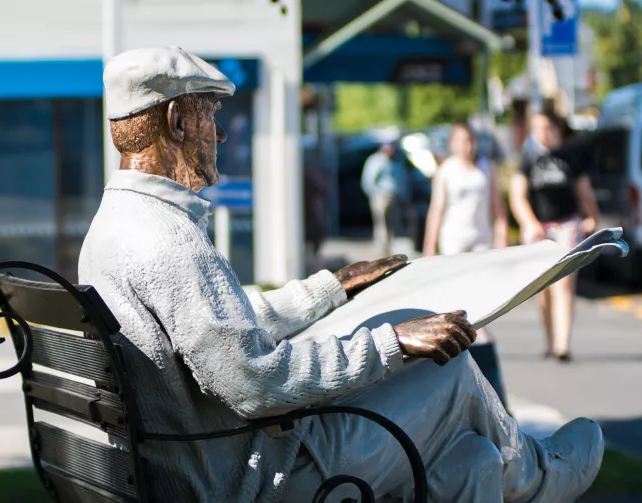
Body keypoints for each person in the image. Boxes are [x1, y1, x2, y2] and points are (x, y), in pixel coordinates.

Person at [79, 47, 603, 503]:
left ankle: (513, 471)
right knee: (450, 372)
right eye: (209, 113)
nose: (218, 131)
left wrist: (329, 288)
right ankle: (538, 480)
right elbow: (254, 382)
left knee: (470, 463)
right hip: (255, 481)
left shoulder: (118, 226)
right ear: (175, 120)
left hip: (192, 466)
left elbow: (223, 324)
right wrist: (393, 342)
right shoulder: (170, 242)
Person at [421, 122, 513, 403]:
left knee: (482, 308)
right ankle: (469, 373)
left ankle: (488, 382)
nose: (468, 147)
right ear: (452, 143)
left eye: (471, 141)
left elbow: (498, 207)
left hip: (481, 241)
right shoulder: (446, 171)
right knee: (462, 308)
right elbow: (436, 209)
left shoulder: (486, 168)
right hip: (454, 242)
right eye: (462, 141)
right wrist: (429, 248)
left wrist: (502, 235)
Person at [508, 109, 599, 363]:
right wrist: (530, 222)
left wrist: (592, 215)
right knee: (542, 289)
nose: (543, 134)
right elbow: (518, 196)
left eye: (547, 127)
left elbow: (584, 191)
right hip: (539, 227)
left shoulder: (570, 157)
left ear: (557, 128)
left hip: (567, 223)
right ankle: (550, 340)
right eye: (537, 129)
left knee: (564, 284)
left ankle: (562, 344)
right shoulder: (528, 158)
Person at [362, 128, 411, 255]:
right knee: (382, 228)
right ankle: (381, 254)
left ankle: (391, 254)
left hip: (394, 197)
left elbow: (401, 181)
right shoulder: (376, 161)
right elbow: (368, 181)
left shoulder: (396, 161)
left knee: (394, 228)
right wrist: (376, 195)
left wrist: (404, 197)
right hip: (381, 197)